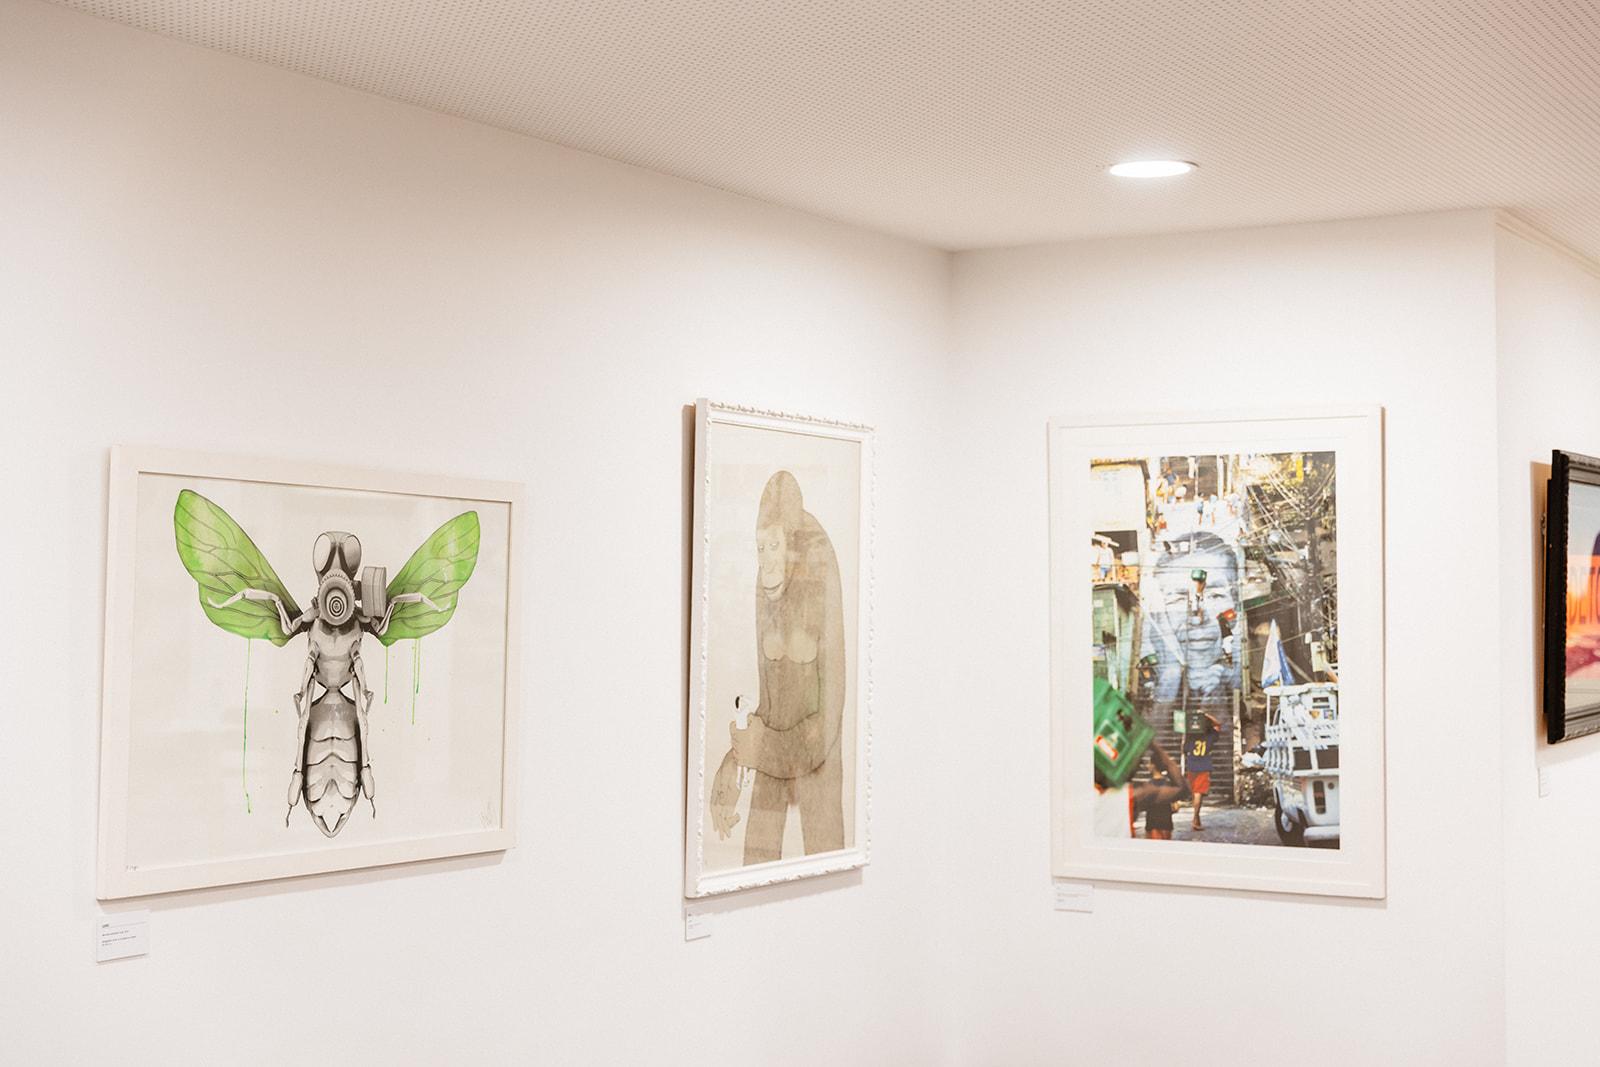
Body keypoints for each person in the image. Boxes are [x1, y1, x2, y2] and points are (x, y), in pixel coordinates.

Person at [709, 470, 847, 864]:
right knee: (754, 864)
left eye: (774, 545)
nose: (766, 561)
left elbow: (826, 725)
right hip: (777, 756)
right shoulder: (767, 582)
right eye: (760, 547)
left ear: (793, 546)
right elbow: (773, 706)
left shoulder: (819, 575)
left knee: (824, 858)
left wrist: (758, 749)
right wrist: (735, 760)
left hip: (817, 766)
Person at [1095, 739, 1189, 839]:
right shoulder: (1133, 795)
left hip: (1152, 824)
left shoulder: (1086, 795)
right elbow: (1182, 789)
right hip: (1165, 824)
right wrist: (1154, 745)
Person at [1185, 713, 1221, 831]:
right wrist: (1206, 715)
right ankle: (1195, 818)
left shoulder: (1190, 736)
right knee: (1198, 793)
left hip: (1191, 765)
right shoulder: (1210, 736)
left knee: (1195, 792)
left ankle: (1197, 818)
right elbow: (1218, 725)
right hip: (1203, 766)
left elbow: (1184, 750)